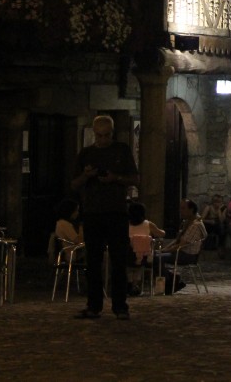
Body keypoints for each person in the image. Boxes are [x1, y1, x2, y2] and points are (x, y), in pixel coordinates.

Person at [70, 114, 140, 320]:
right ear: (94, 133)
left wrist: (115, 178)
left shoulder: (122, 150)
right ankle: (94, 305)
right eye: (99, 135)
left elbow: (135, 178)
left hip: (116, 212)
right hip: (92, 212)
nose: (103, 139)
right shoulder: (86, 153)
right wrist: (87, 176)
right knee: (93, 261)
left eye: (106, 135)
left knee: (118, 261)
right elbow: (73, 184)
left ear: (112, 133)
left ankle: (120, 306)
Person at [154, 198, 207, 294]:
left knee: (157, 258)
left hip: (187, 255)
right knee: (154, 256)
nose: (180, 211)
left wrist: (165, 251)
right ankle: (172, 279)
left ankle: (171, 282)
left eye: (183, 208)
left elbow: (181, 245)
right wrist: (165, 249)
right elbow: (177, 240)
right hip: (181, 252)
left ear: (191, 210)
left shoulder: (195, 225)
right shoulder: (187, 222)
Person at [127, 202, 164, 296]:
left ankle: (129, 282)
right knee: (140, 265)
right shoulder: (148, 224)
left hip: (128, 256)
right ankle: (135, 285)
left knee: (129, 266)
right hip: (144, 257)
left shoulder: (125, 225)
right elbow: (161, 234)